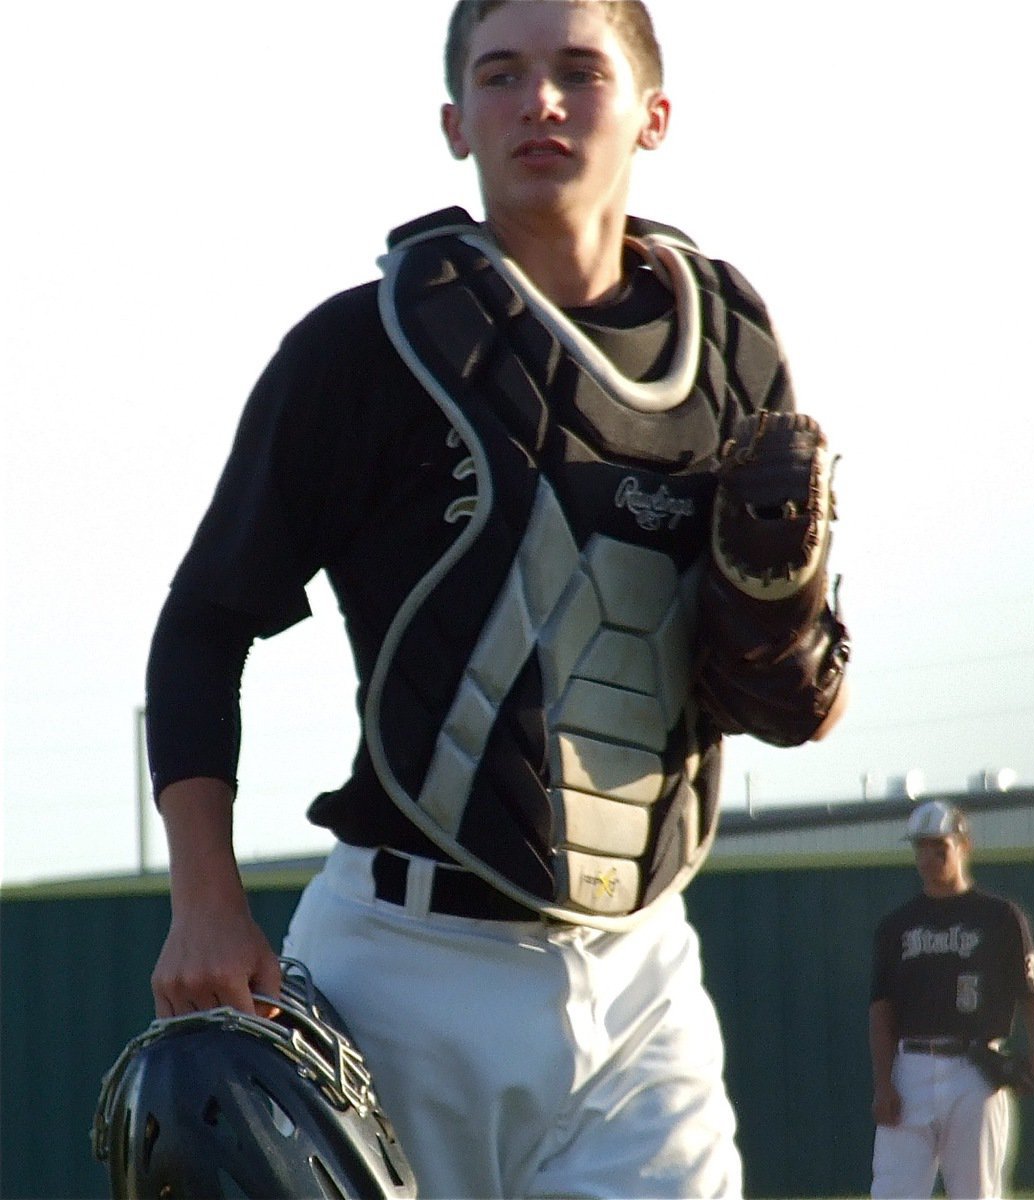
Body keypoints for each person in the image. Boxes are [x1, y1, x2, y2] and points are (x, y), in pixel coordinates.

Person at [144, 2, 849, 1196]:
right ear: (452, 119)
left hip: (641, 970)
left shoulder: (728, 344)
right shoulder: (365, 347)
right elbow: (203, 626)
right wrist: (204, 902)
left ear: (653, 113)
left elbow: (793, 690)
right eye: (502, 74)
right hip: (408, 968)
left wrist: (786, 644)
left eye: (580, 71)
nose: (541, 101)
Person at [868, 800, 1034, 1200]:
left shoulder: (1000, 917)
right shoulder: (898, 926)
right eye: (920, 847)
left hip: (975, 1069)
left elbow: (1032, 993)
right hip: (911, 1066)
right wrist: (884, 1083)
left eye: (939, 847)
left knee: (977, 1193)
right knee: (892, 1191)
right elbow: (882, 1010)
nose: (928, 857)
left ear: (963, 846)